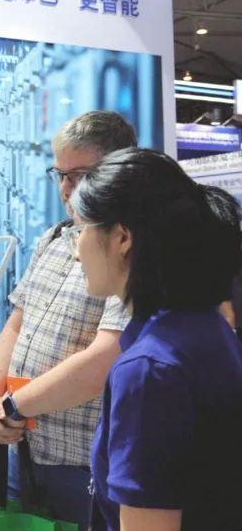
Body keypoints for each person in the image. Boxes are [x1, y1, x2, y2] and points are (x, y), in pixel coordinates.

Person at [0, 111, 136, 529]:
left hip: (85, 463)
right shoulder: (53, 238)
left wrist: (13, 406)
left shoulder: (128, 248)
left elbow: (106, 358)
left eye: (79, 175)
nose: (66, 188)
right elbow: (17, 322)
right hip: (25, 450)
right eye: (60, 174)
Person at [68, 148, 242, 531]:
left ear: (122, 237)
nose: (76, 252)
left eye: (80, 230)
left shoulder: (148, 370)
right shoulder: (203, 325)